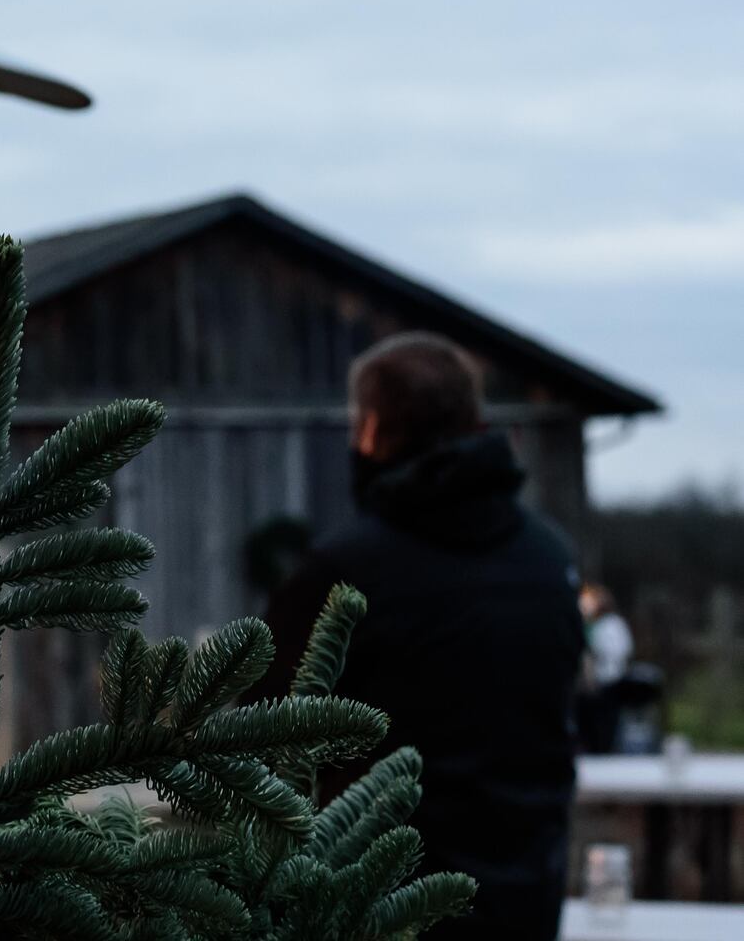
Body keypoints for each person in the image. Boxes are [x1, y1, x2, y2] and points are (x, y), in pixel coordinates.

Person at [255, 331, 585, 941]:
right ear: (476, 421)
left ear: (374, 430)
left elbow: (257, 742)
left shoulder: (342, 571)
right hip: (528, 902)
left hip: (375, 909)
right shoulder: (551, 560)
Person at [575, 583, 635, 753]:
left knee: (605, 724)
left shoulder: (609, 625)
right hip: (592, 684)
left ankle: (604, 750)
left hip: (607, 682)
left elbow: (615, 651)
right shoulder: (591, 625)